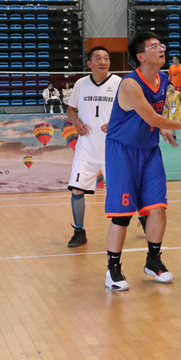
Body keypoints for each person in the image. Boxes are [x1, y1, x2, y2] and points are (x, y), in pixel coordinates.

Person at [102, 33, 181, 291]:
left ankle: (153, 260)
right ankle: (113, 270)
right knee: (122, 214)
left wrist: (163, 128)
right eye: (154, 47)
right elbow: (152, 117)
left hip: (149, 150)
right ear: (140, 56)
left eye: (161, 45)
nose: (161, 49)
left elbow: (154, 115)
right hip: (123, 151)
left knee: (158, 208)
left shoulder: (163, 78)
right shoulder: (130, 84)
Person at [65, 46, 122, 248]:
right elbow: (70, 109)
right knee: (77, 189)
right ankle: (79, 231)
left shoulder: (119, 83)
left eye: (106, 58)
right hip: (86, 149)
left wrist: (116, 123)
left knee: (121, 190)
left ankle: (140, 217)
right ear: (89, 64)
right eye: (97, 58)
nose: (103, 61)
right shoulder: (81, 84)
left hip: (112, 149)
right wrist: (76, 123)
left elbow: (131, 111)